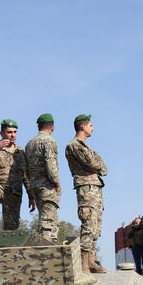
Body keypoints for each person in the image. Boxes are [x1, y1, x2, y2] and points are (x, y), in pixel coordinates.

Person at [65, 114, 107, 273]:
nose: (93, 128)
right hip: (86, 188)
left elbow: (103, 167)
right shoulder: (74, 146)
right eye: (90, 125)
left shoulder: (86, 147)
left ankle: (90, 260)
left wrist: (98, 165)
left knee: (96, 226)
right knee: (88, 223)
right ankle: (83, 263)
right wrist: (97, 165)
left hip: (95, 188)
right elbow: (93, 163)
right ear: (83, 126)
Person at [0, 120, 35, 232]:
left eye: (15, 132)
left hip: (14, 192)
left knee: (12, 227)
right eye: (9, 132)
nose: (12, 135)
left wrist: (31, 195)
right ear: (2, 134)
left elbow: (26, 176)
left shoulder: (21, 152)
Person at [25, 113, 61, 242]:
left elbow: (27, 169)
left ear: (38, 127)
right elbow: (51, 166)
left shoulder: (29, 144)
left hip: (35, 186)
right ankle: (45, 254)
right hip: (47, 186)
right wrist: (57, 183)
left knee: (51, 220)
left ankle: (52, 250)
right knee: (47, 223)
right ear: (53, 127)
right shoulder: (49, 141)